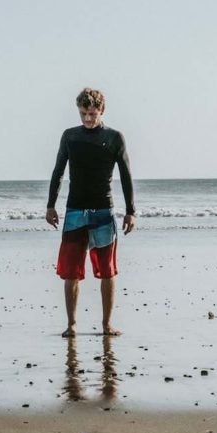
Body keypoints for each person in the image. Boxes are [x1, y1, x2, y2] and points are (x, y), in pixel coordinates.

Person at [46, 88, 135, 337]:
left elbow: (126, 175)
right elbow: (58, 171)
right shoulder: (70, 136)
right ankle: (71, 325)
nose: (87, 119)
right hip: (75, 211)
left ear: (101, 111)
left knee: (107, 271)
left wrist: (131, 211)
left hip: (103, 212)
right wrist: (50, 204)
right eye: (83, 113)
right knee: (70, 272)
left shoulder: (115, 137)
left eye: (92, 113)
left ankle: (107, 324)